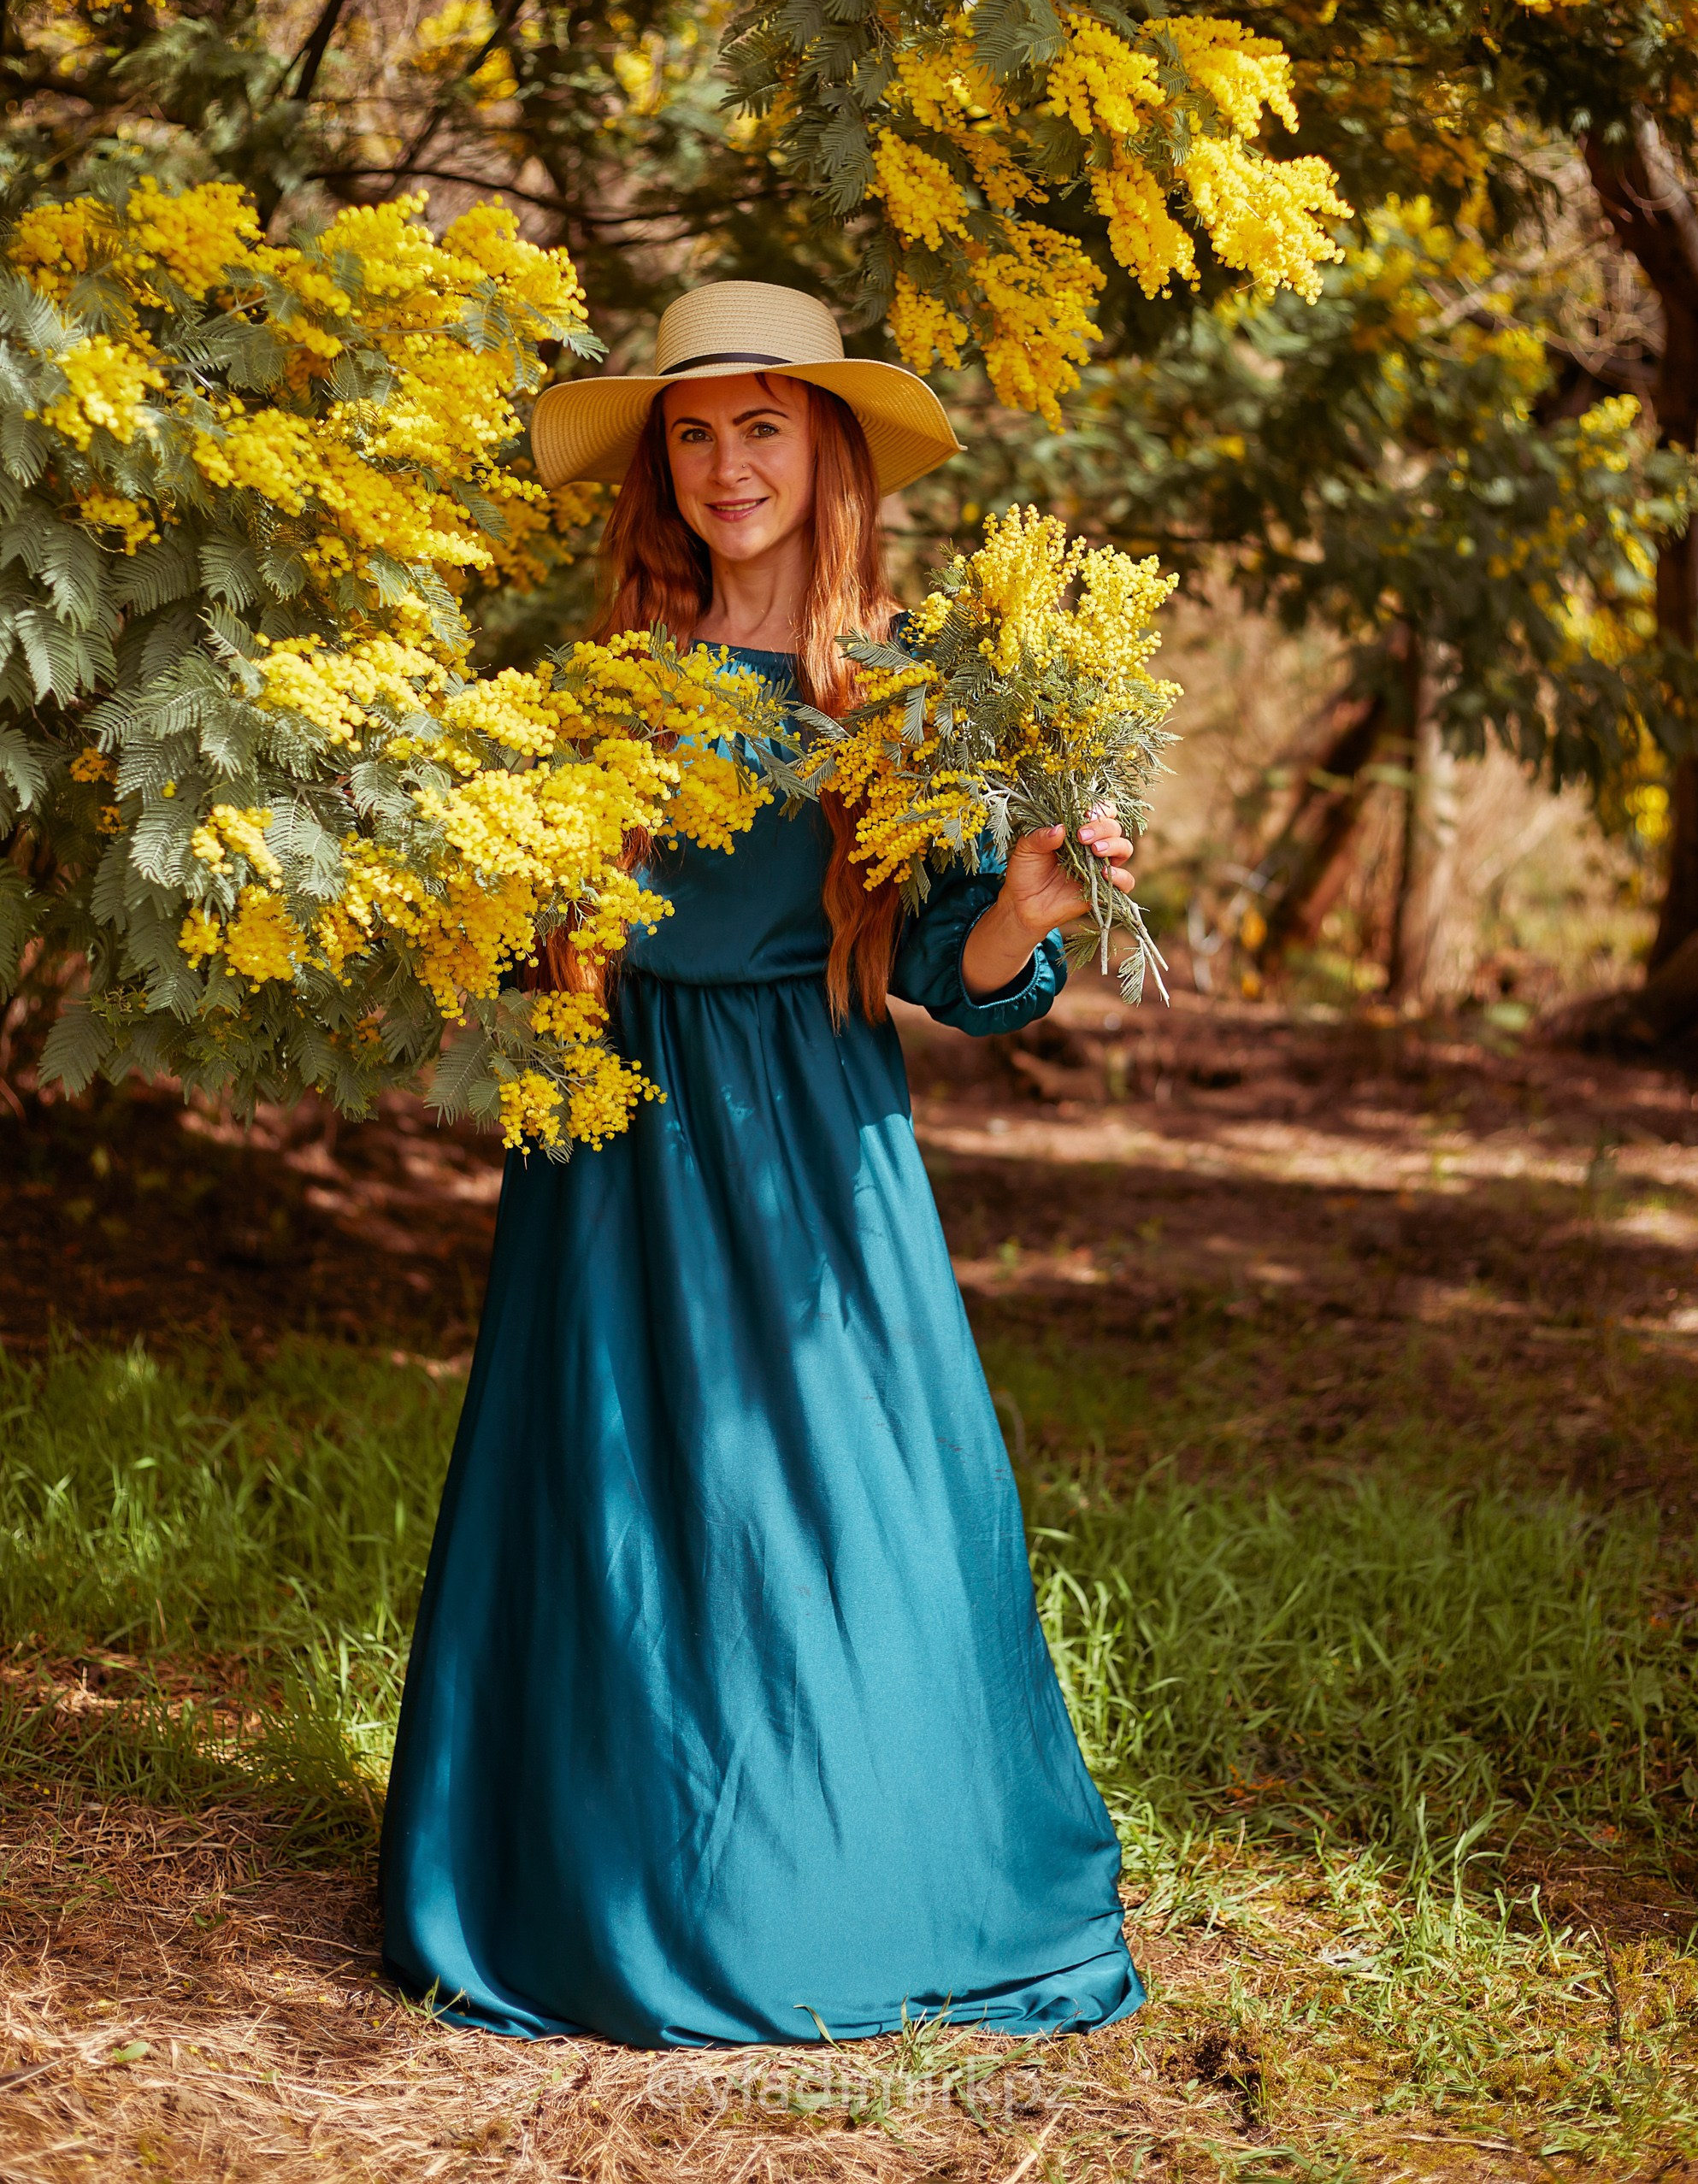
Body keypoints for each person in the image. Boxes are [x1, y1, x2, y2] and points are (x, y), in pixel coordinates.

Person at [380, 281, 1147, 2046]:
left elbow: (967, 973)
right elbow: (521, 927)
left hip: (812, 1146)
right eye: (694, 431)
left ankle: (868, 1868)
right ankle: (598, 1877)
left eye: (762, 426)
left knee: (838, 1510)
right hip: (613, 1149)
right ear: (663, 463)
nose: (727, 464)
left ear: (829, 453)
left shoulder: (901, 701)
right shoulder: (604, 688)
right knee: (622, 1505)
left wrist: (1029, 900)